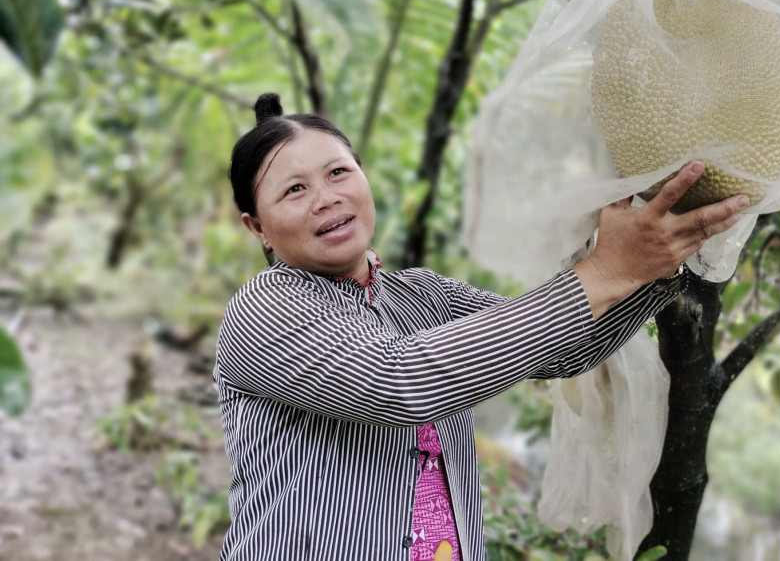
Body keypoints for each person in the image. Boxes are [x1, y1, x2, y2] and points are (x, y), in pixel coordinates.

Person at [214, 93, 747, 560]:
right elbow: (403, 382)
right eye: (293, 191)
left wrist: (652, 267)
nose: (326, 197)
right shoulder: (263, 308)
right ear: (257, 228)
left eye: (338, 173)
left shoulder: (423, 293)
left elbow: (561, 350)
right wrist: (607, 269)